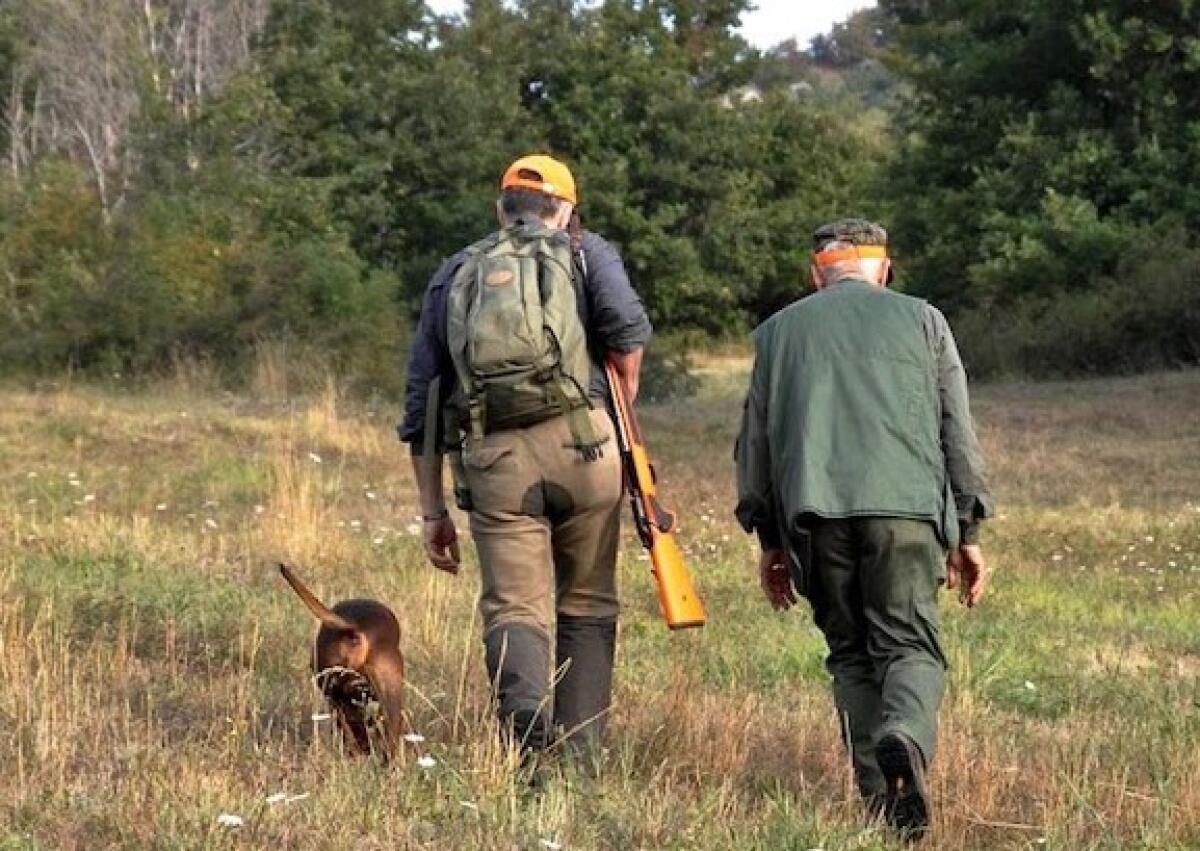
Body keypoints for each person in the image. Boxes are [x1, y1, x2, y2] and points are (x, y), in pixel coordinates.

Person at [733, 219, 993, 840]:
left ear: (815, 271)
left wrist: (769, 539)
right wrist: (970, 527)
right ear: (885, 268)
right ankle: (904, 734)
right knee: (908, 646)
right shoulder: (925, 320)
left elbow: (757, 445)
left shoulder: (777, 333)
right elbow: (956, 427)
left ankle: (883, 806)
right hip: (904, 511)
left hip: (814, 517)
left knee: (851, 655)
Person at [400, 154, 651, 766]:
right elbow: (627, 339)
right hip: (586, 448)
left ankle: (525, 719)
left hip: (495, 457)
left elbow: (423, 400)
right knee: (588, 601)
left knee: (513, 606)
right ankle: (578, 759)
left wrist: (433, 511)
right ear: (565, 211)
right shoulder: (588, 253)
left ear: (500, 209)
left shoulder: (458, 269)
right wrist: (615, 416)